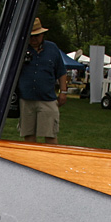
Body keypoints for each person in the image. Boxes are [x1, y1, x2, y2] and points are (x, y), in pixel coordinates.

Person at [17, 17, 68, 145]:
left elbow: (61, 72)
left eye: (37, 36)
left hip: (47, 99)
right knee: (28, 134)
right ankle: (29, 162)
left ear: (42, 35)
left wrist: (63, 92)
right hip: (26, 99)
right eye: (31, 36)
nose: (34, 39)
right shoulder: (21, 49)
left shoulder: (52, 48)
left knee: (50, 135)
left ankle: (50, 162)